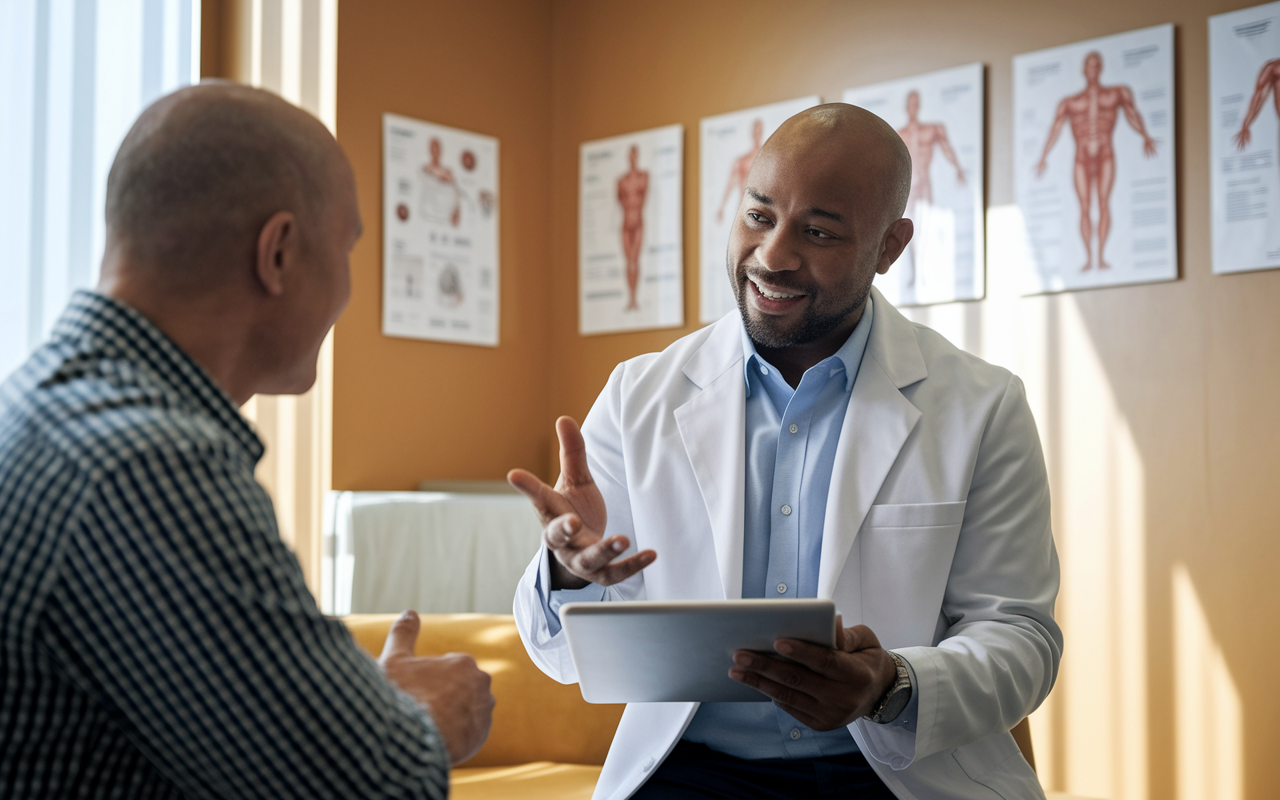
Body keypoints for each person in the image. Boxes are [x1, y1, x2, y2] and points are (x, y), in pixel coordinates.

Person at [509, 104, 1061, 800]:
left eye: (819, 231)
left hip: (892, 772)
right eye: (759, 216)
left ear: (889, 248)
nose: (772, 257)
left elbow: (1021, 638)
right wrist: (571, 575)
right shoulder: (638, 394)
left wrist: (890, 686)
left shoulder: (983, 407)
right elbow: (558, 655)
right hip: (688, 772)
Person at [0, 83, 493, 799]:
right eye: (348, 246)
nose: (350, 287)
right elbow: (367, 787)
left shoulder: (41, 407)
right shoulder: (150, 465)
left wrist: (359, 713)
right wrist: (429, 719)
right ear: (281, 254)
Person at [1035, 50, 1158, 272]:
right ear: (1083, 70)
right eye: (1088, 65)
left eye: (1096, 65)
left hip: (1105, 153)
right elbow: (1055, 129)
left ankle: (1100, 256)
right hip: (1081, 156)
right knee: (1083, 206)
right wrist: (1043, 156)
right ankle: (1088, 258)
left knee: (1103, 203)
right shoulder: (1070, 102)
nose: (1092, 69)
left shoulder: (1116, 93)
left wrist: (1145, 135)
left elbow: (1132, 113)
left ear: (1100, 68)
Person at [896, 90, 966, 288]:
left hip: (924, 183)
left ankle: (922, 272)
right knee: (907, 228)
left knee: (924, 228)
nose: (913, 106)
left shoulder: (932, 130)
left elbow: (947, 148)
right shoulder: (899, 134)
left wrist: (958, 168)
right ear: (906, 106)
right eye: (910, 103)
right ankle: (914, 274)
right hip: (909, 186)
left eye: (916, 102)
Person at [617, 144, 650, 311]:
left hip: (637, 222)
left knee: (634, 261)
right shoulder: (621, 181)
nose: (632, 158)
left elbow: (643, 198)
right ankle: (630, 298)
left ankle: (634, 299)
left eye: (634, 155)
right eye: (630, 155)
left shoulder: (644, 177)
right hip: (625, 223)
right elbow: (620, 200)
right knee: (628, 261)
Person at [717, 118, 766, 223]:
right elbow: (730, 184)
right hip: (743, 210)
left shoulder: (768, 159)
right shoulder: (741, 161)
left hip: (763, 211)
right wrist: (722, 207)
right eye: (755, 130)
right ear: (752, 133)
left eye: (759, 130)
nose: (757, 134)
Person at [1233, 57, 1280, 151]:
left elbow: (1259, 95)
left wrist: (1246, 125)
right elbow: (1259, 95)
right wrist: (1245, 125)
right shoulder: (1274, 68)